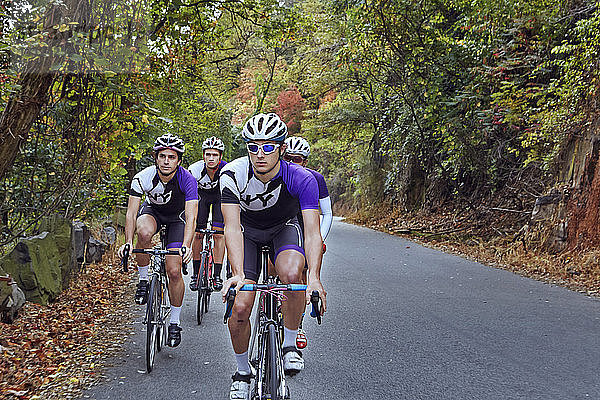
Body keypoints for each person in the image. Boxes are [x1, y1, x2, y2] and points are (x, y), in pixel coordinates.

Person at [219, 113, 327, 400]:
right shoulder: (231, 175)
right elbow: (231, 226)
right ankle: (242, 372)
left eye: (268, 147)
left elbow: (313, 231)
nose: (260, 154)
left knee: (293, 276)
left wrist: (314, 278)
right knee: (240, 308)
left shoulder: (302, 178)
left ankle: (290, 343)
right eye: (253, 147)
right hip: (248, 234)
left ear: (281, 148)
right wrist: (238, 273)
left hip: (284, 228)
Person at [117, 133, 198, 348]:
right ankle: (144, 280)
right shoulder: (143, 178)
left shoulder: (188, 180)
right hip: (153, 212)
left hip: (177, 219)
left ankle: (174, 321)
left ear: (178, 160)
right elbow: (131, 213)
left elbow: (191, 216)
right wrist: (127, 242)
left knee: (173, 270)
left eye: (171, 157)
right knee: (143, 233)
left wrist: (186, 245)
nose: (166, 161)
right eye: (162, 156)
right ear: (156, 157)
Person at [283, 136, 332, 348]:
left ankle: (297, 325)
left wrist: (320, 239)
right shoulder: (276, 175)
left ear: (306, 161)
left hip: (307, 228)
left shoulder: (315, 178)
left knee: (302, 276)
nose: (293, 163)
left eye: (298, 159)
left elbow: (327, 213)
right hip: (283, 228)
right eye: (288, 158)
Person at [188, 136, 227, 291]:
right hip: (201, 197)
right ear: (203, 155)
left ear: (220, 156)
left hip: (219, 197)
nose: (211, 158)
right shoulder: (195, 169)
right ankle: (196, 274)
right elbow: (189, 193)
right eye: (208, 154)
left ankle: (217, 275)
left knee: (219, 235)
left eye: (215, 155)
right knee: (197, 234)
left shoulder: (227, 169)